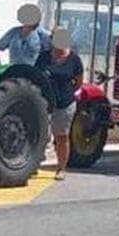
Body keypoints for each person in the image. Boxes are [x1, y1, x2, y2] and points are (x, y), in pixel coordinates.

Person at [34, 27, 83, 181]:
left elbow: (78, 82)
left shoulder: (74, 59)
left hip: (64, 103)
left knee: (61, 136)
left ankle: (61, 168)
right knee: (39, 135)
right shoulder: (43, 57)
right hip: (44, 102)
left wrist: (66, 92)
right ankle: (33, 165)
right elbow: (36, 76)